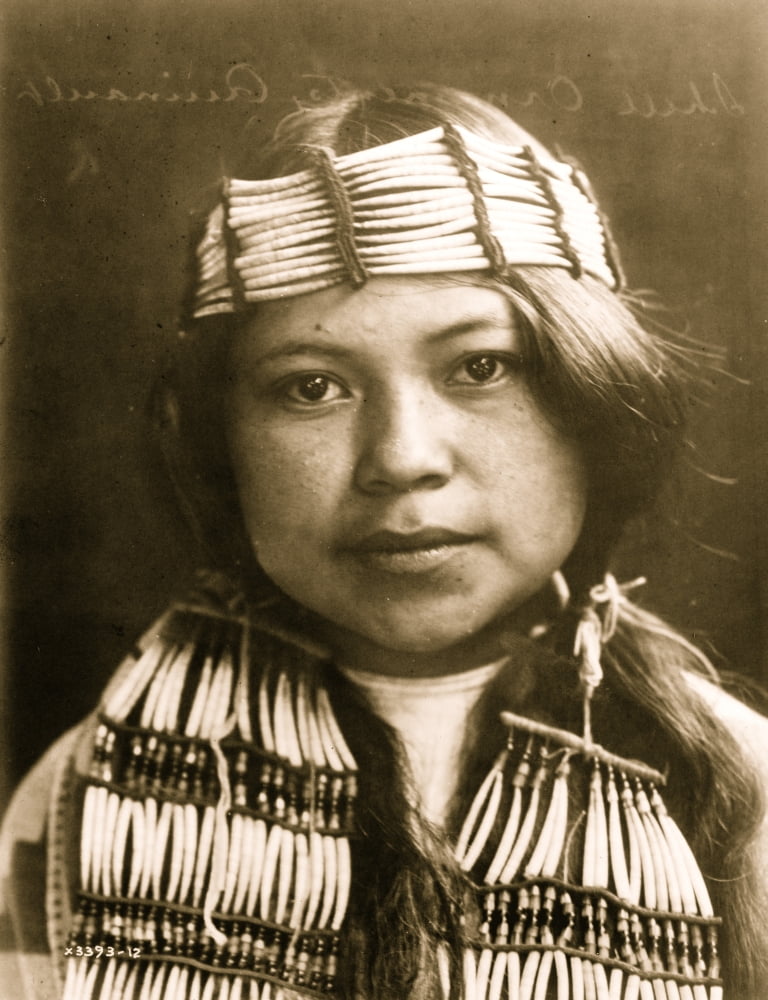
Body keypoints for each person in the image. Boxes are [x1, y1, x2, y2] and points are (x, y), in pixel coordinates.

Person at [1, 82, 767, 1000]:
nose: (401, 460)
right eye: (311, 387)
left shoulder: (743, 792)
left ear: (594, 403)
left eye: (482, 367)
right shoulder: (96, 793)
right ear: (220, 443)